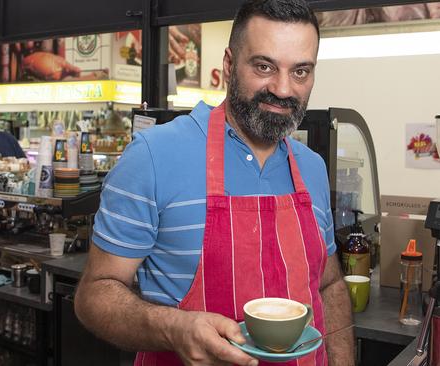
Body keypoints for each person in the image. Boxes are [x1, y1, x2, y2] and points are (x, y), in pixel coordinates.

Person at [74, 1, 353, 365]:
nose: (284, 89)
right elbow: (94, 295)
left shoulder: (312, 168)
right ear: (229, 64)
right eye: (264, 66)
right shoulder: (154, 156)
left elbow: (328, 285)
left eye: (300, 71)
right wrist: (173, 327)